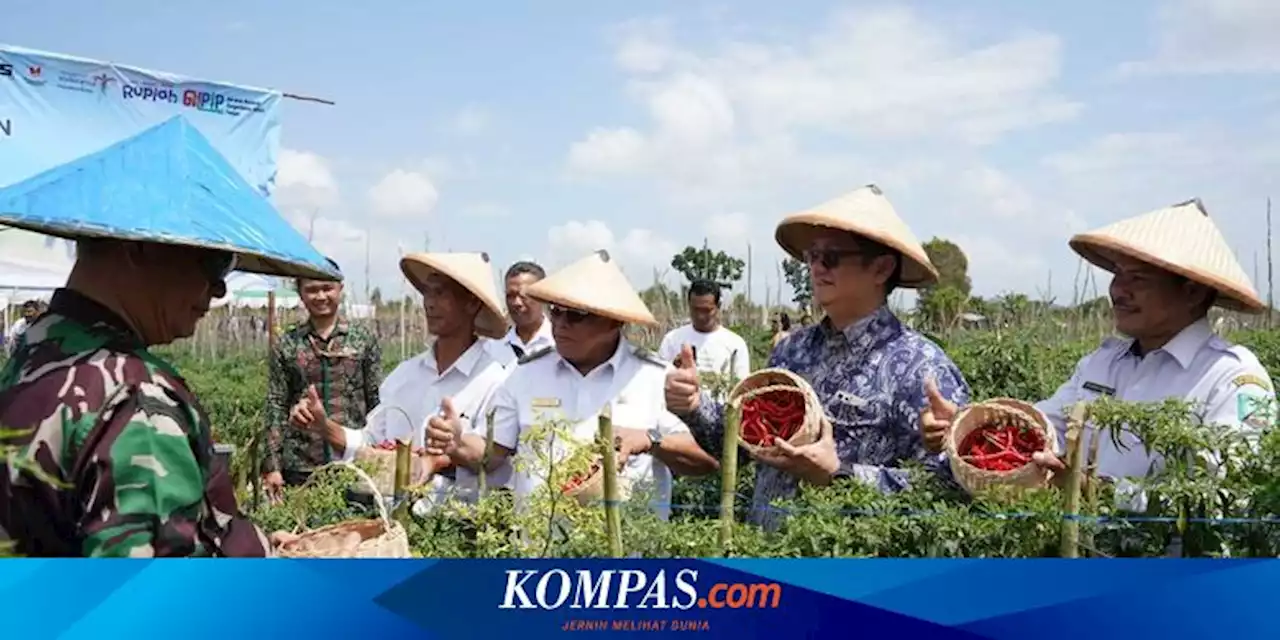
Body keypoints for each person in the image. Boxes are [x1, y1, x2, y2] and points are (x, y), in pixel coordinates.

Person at [921, 198, 1277, 506]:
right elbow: (1048, 427)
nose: (1118, 290)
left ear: (1193, 292)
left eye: (1138, 279)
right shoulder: (1103, 364)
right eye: (1118, 275)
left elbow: (1227, 497)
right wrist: (969, 424)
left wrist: (1099, 492)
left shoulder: (1231, 380)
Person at [665, 184, 971, 531]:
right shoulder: (792, 351)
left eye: (833, 257)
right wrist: (692, 406)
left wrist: (839, 474)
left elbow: (948, 488)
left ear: (882, 268)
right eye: (812, 256)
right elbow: (743, 447)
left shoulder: (920, 368)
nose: (816, 267)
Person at [427, 249, 719, 520]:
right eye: (556, 311)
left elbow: (706, 461)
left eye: (577, 315)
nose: (561, 324)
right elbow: (493, 454)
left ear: (614, 321)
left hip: (628, 559)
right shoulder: (524, 374)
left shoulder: (654, 377)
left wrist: (652, 440)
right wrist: (458, 442)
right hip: (541, 553)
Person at [290, 252, 512, 505]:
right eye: (427, 293)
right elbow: (369, 440)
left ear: (472, 304)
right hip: (390, 522)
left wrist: (455, 445)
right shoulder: (405, 375)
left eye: (441, 293)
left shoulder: (494, 381)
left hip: (455, 531)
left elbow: (493, 458)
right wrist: (324, 427)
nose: (429, 303)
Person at [263, 258, 382, 494]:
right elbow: (276, 403)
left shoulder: (363, 339)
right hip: (301, 463)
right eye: (312, 290)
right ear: (301, 293)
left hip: (352, 459)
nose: (320, 296)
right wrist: (272, 465)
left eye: (327, 288)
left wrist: (380, 454)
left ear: (340, 289)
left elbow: (376, 400)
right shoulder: (287, 343)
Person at [657, 278, 751, 390]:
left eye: (707, 310)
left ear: (718, 306)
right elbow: (658, 381)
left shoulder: (735, 344)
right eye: (695, 309)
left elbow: (741, 388)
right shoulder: (672, 340)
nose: (700, 316)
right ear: (689, 304)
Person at [493, 260, 554, 365]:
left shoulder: (560, 345)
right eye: (510, 296)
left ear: (542, 296)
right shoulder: (493, 350)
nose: (516, 303)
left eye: (524, 296)